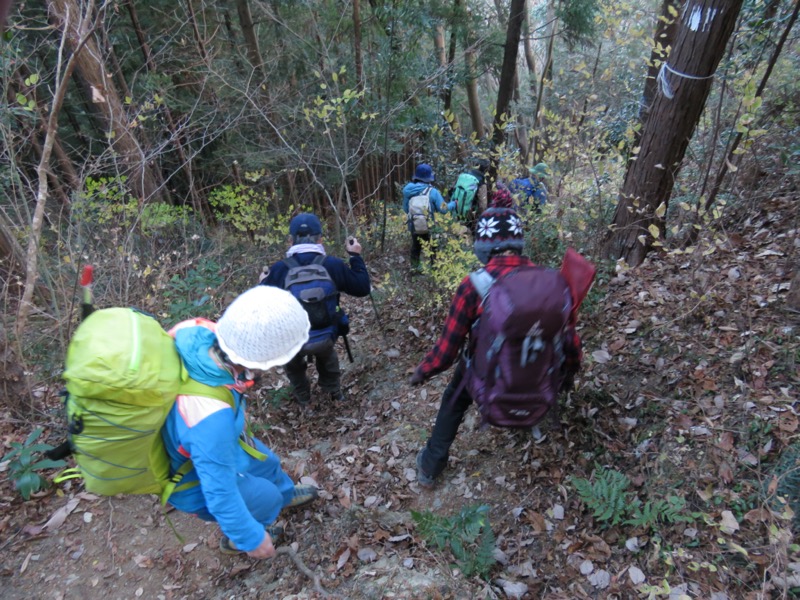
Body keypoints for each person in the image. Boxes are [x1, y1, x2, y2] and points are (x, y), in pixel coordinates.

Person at [409, 205, 583, 487]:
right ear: (519, 242)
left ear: (482, 245)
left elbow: (447, 351)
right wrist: (569, 375)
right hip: (539, 377)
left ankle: (431, 466)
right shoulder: (551, 283)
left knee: (455, 397)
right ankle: (531, 420)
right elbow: (570, 341)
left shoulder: (474, 285)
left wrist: (422, 372)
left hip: (486, 380)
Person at [162, 285, 318, 559]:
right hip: (187, 475)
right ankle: (236, 538)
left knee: (267, 462)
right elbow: (219, 492)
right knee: (263, 497)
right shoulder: (211, 418)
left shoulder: (199, 332)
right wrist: (250, 538)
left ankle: (284, 495)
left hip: (212, 441)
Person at [261, 213, 371, 404]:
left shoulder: (279, 269)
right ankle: (334, 392)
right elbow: (362, 288)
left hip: (293, 340)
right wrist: (355, 256)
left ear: (290, 240)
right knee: (327, 350)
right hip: (326, 335)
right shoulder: (332, 265)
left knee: (292, 360)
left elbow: (260, 306)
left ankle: (303, 397)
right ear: (320, 238)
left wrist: (262, 284)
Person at [402, 163, 453, 267]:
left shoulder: (409, 191)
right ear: (429, 178)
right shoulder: (433, 192)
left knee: (416, 248)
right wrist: (454, 204)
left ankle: (415, 269)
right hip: (429, 225)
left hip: (414, 225)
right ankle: (435, 271)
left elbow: (406, 209)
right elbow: (443, 210)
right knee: (433, 248)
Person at [449, 159, 489, 235]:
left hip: (454, 210)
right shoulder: (481, 182)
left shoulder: (462, 175)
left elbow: (451, 190)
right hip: (469, 214)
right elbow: (483, 205)